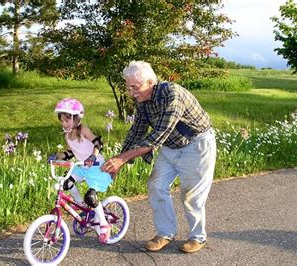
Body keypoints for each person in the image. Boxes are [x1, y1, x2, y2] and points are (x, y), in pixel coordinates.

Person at [101, 61, 217, 253]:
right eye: (128, 87)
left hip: (196, 145)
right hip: (171, 146)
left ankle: (198, 237)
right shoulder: (142, 102)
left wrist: (122, 159)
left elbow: (158, 135)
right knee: (156, 185)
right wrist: (119, 161)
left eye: (135, 87)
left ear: (150, 82)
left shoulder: (173, 94)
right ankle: (165, 233)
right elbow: (136, 132)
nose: (131, 93)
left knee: (191, 196)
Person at [49, 98, 113, 244]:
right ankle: (81, 205)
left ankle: (103, 224)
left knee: (90, 196)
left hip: (96, 166)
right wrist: (56, 156)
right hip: (82, 167)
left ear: (76, 118)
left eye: (67, 120)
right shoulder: (67, 136)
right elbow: (71, 153)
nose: (64, 124)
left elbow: (98, 142)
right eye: (62, 121)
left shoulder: (83, 130)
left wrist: (92, 156)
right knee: (67, 183)